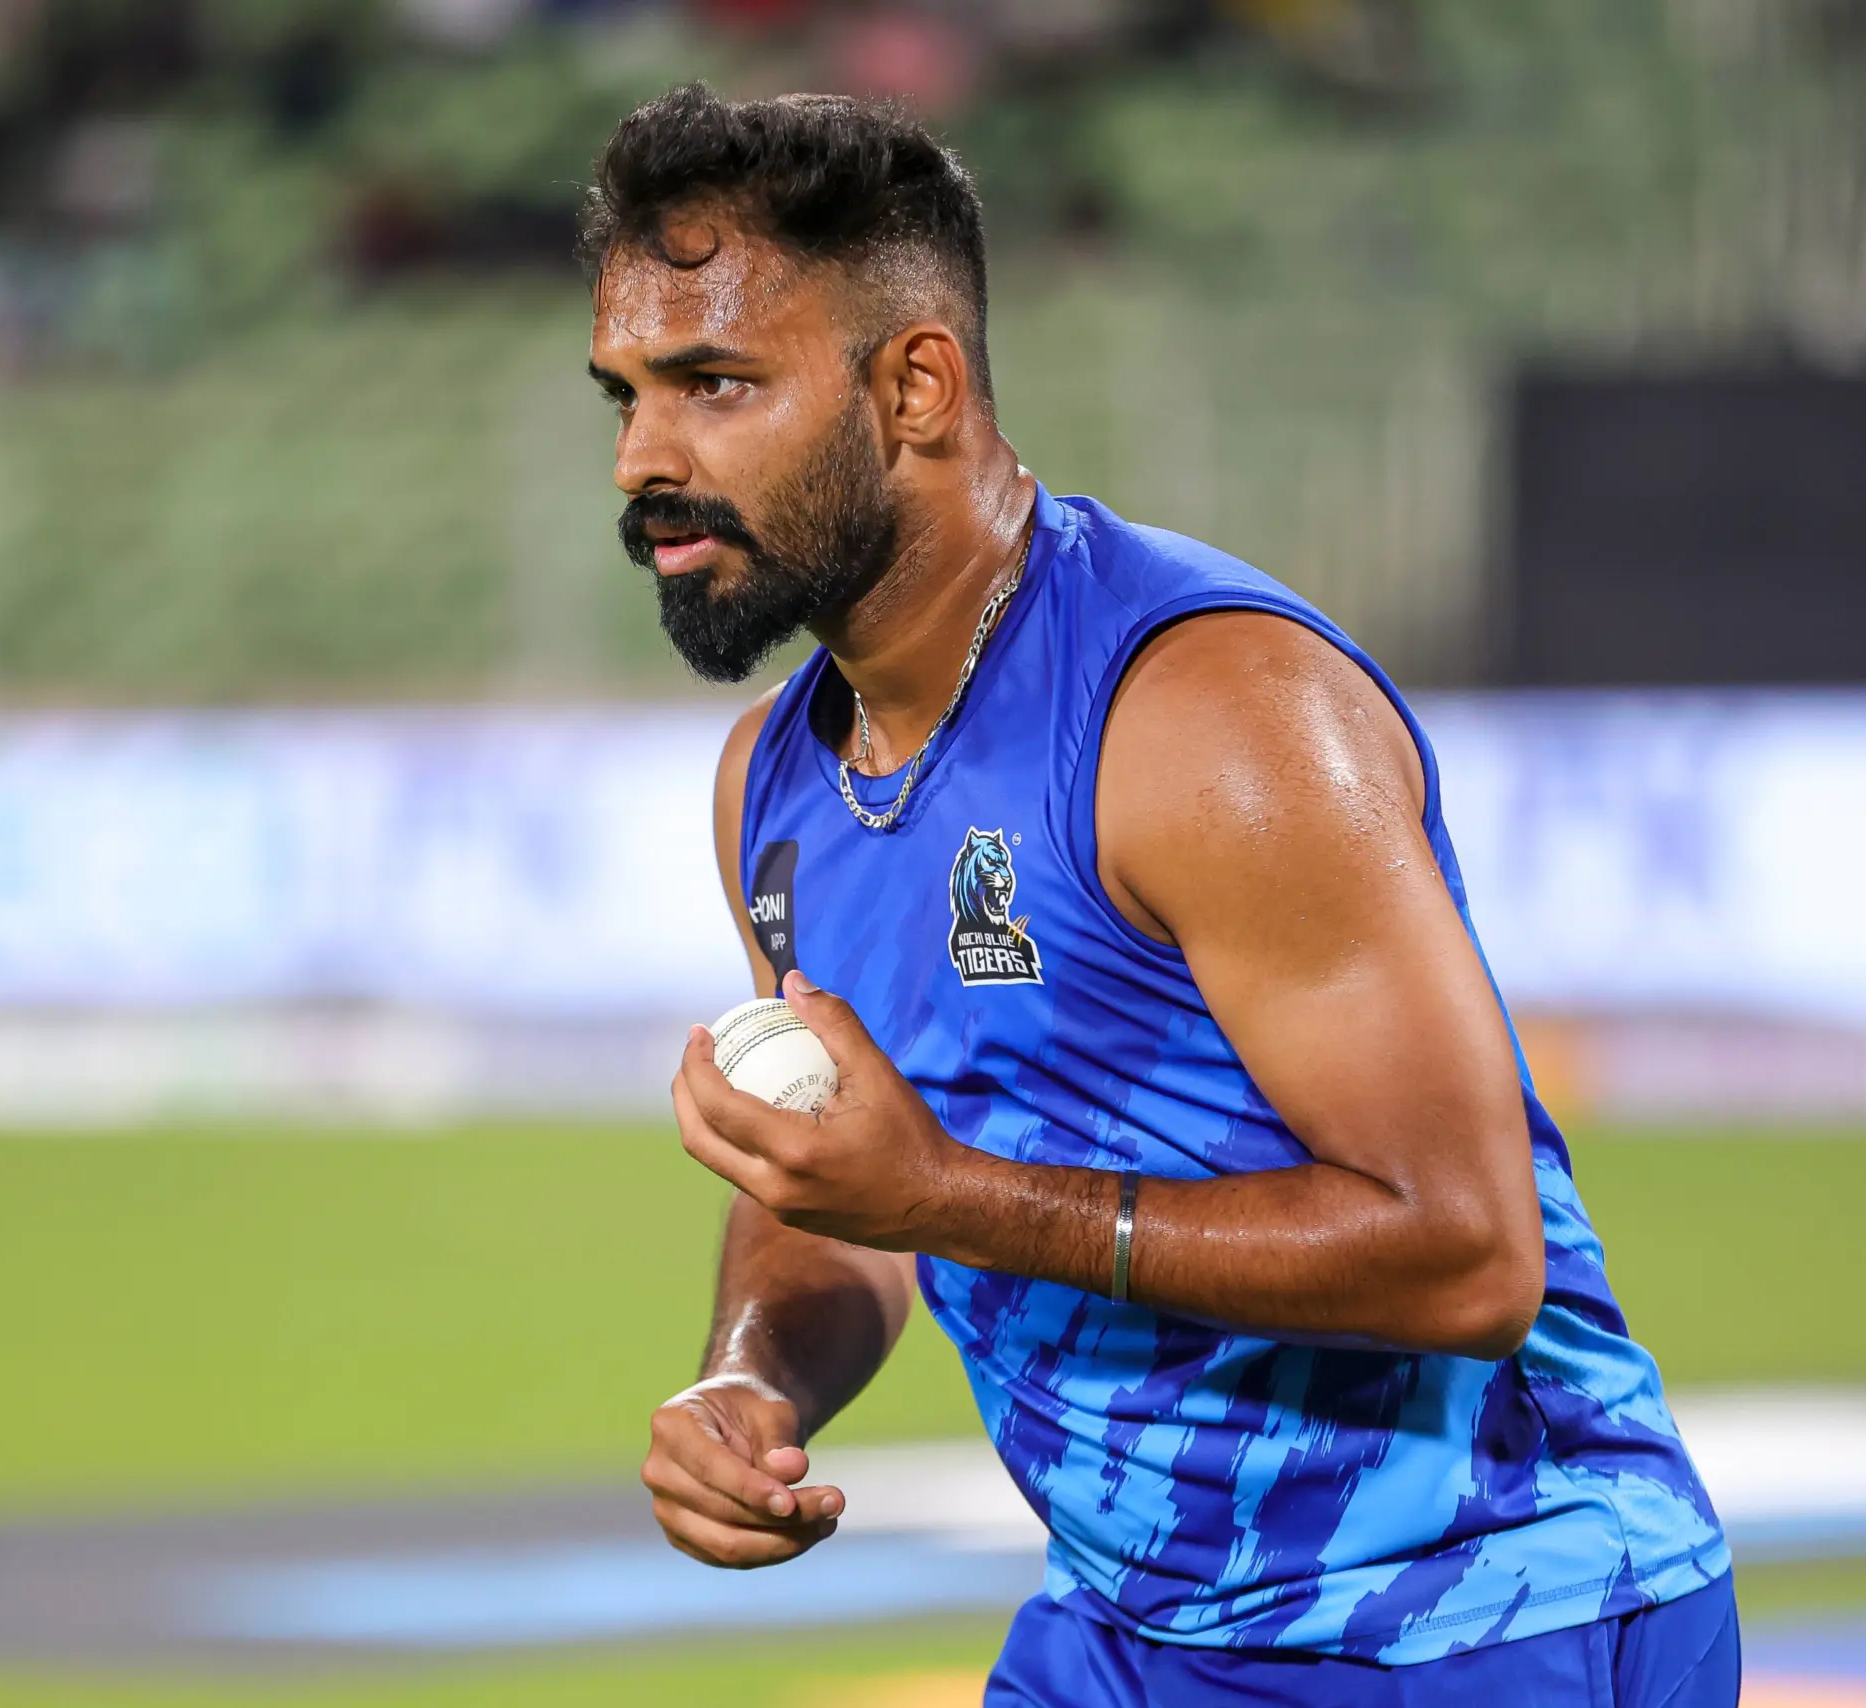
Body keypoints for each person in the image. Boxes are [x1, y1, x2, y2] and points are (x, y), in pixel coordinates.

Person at [583, 85, 1736, 1707]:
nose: (643, 460)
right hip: (1130, 1630)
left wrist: (948, 1199)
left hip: (1476, 1612)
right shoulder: (772, 784)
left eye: (714, 384)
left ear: (916, 387)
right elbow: (845, 1188)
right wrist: (750, 1377)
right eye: (625, 394)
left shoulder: (1205, 716)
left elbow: (1468, 1259)